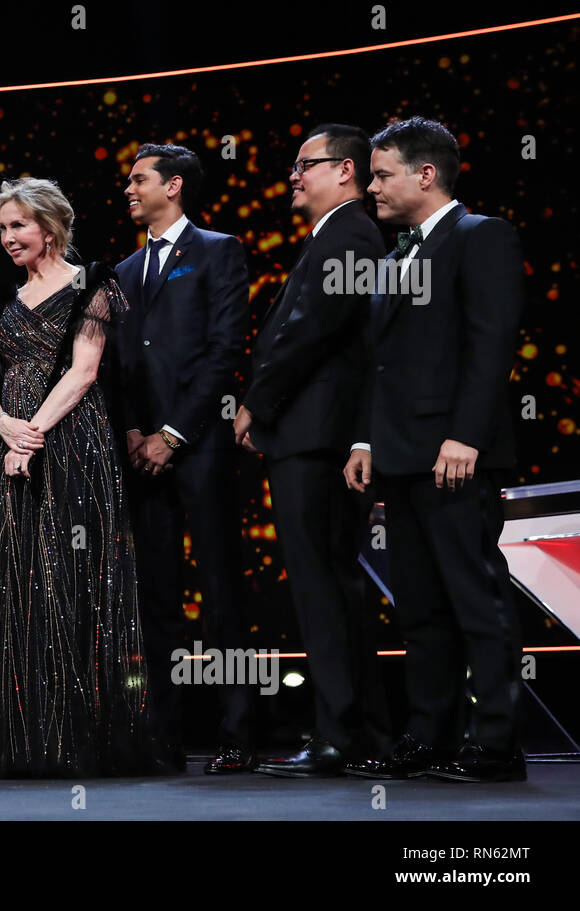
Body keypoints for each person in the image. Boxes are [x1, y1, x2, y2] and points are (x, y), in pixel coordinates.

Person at [0, 177, 152, 777]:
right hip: (8, 449)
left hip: (72, 447)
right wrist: (5, 424)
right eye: (2, 228)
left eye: (18, 226)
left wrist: (31, 432)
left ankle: (76, 737)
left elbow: (85, 372)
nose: (7, 238)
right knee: (15, 586)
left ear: (51, 227)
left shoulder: (93, 285)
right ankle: (22, 737)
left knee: (67, 580)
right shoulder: (4, 300)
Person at [343, 117, 526, 782]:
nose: (371, 190)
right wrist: (365, 437)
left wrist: (467, 435)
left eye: (382, 175)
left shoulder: (481, 237)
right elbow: (381, 362)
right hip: (399, 455)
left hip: (455, 453)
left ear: (425, 174)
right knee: (419, 606)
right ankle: (430, 736)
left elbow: (491, 341)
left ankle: (498, 743)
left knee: (476, 599)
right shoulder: (394, 259)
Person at [233, 124, 391, 777]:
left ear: (346, 170)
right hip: (312, 433)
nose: (294, 175)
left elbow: (308, 332)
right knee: (332, 586)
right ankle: (355, 730)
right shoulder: (336, 236)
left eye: (306, 164)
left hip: (314, 434)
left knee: (325, 588)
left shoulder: (351, 233)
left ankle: (340, 735)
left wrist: (256, 401)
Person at [113, 144, 252, 774]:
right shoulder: (121, 270)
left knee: (222, 590)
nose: (129, 190)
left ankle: (239, 733)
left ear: (173, 186)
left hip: (199, 448)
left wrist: (172, 433)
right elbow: (120, 364)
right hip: (142, 455)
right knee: (156, 598)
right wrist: (139, 431)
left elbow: (224, 351)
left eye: (138, 180)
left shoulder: (219, 250)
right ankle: (162, 736)